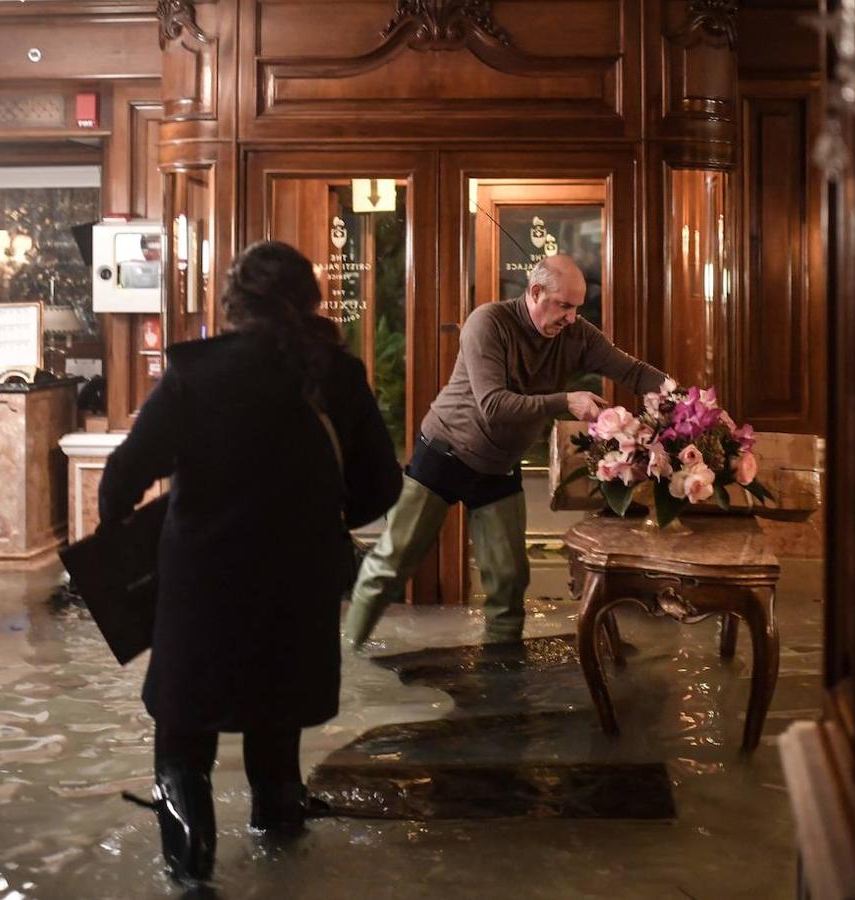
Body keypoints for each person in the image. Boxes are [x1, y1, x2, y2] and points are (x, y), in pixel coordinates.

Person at [98, 240, 402, 884]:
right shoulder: (336, 375)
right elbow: (381, 485)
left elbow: (122, 476)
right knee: (276, 716)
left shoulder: (195, 374)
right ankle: (281, 842)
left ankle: (191, 870)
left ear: (233, 303)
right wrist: (319, 519)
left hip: (202, 584)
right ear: (309, 301)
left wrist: (123, 528)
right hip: (298, 581)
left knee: (184, 733)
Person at [344, 254, 668, 648]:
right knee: (392, 565)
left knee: (509, 581)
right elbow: (493, 405)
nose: (571, 318)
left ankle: (500, 673)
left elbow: (633, 372)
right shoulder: (488, 323)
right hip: (444, 453)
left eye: (577, 308)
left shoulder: (577, 334)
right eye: (563, 306)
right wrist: (565, 400)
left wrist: (684, 401)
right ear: (535, 292)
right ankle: (345, 658)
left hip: (498, 466)